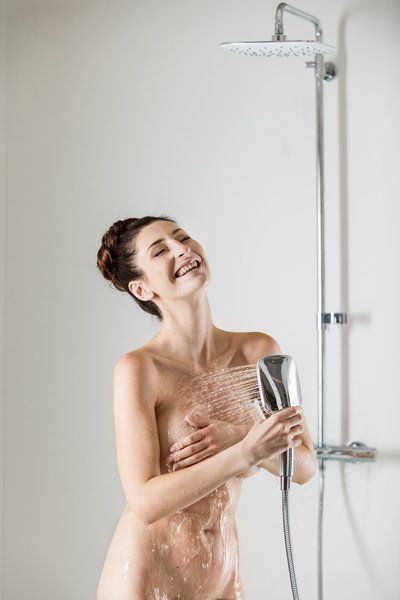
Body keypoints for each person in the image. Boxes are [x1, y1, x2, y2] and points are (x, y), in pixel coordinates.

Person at [95, 215, 317, 599]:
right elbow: (144, 502)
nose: (182, 249)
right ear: (142, 288)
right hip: (146, 575)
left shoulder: (259, 351)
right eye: (160, 250)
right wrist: (244, 453)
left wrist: (240, 436)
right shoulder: (140, 369)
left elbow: (305, 467)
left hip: (222, 574)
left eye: (182, 237)